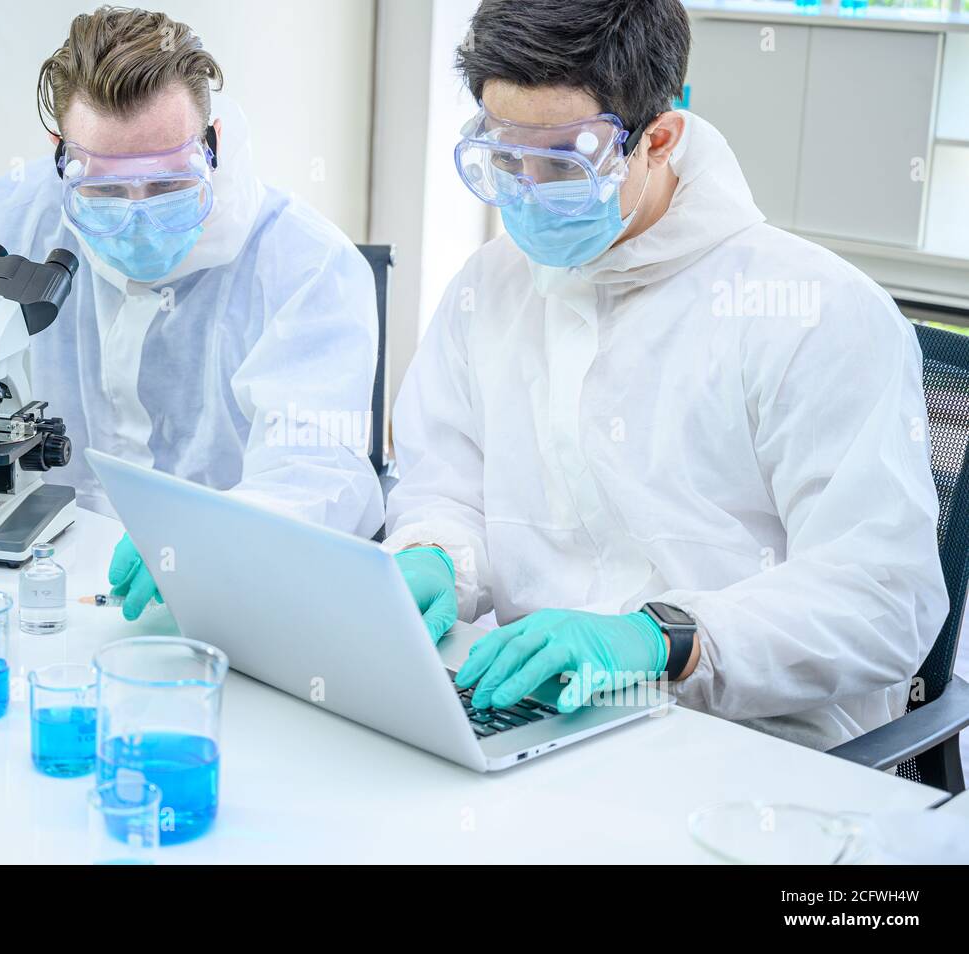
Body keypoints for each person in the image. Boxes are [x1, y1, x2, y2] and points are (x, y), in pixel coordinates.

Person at [386, 0, 948, 750]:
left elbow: (885, 599)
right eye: (501, 153)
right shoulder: (490, 286)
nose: (522, 188)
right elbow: (448, 486)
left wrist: (664, 640)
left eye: (558, 162)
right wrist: (434, 552)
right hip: (546, 717)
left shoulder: (814, 312)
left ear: (660, 137)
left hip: (755, 746)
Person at [0, 6, 384, 620]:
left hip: (233, 610)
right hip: (44, 582)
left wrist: (218, 542)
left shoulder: (308, 265)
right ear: (61, 155)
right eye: (105, 192)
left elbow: (316, 475)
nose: (138, 216)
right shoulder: (15, 217)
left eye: (169, 187)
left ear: (213, 144)